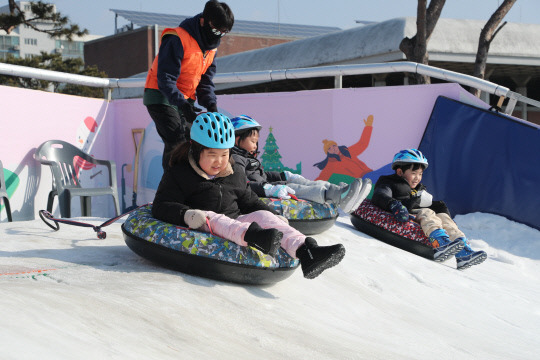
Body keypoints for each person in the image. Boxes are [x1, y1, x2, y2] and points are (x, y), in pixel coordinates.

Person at [151, 112, 346, 279]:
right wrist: (187, 214)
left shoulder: (233, 172)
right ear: (196, 150)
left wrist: (270, 215)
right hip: (204, 222)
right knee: (211, 217)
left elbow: (248, 199)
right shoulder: (180, 174)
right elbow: (161, 205)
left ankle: (308, 252)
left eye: (224, 154)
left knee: (264, 216)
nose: (219, 161)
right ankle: (255, 238)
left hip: (236, 218)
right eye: (212, 155)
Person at [143, 1, 234, 169]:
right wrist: (182, 105)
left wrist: (211, 104)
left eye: (223, 33)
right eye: (215, 30)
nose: (218, 36)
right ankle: (171, 189)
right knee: (177, 140)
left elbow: (205, 81)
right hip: (161, 96)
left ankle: (188, 187)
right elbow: (165, 78)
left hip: (184, 100)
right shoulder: (177, 38)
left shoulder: (211, 49)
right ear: (203, 21)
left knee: (193, 141)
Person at [371, 149, 487, 270]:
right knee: (428, 212)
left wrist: (444, 213)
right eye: (414, 173)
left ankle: (464, 252)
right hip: (403, 213)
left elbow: (430, 205)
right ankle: (439, 244)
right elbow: (380, 195)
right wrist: (394, 204)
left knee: (442, 217)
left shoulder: (419, 188)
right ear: (400, 172)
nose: (418, 178)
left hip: (419, 215)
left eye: (420, 174)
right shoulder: (389, 182)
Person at [229, 115, 370, 213]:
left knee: (304, 182)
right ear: (237, 139)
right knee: (296, 188)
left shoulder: (247, 157)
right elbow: (242, 183)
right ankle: (334, 195)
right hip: (262, 192)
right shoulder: (236, 159)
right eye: (253, 142)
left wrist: (285, 175)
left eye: (256, 142)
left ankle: (338, 192)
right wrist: (268, 189)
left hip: (269, 186)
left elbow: (263, 175)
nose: (255, 145)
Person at [313, 114, 374, 182]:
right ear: (328, 153)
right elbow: (321, 178)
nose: (333, 148)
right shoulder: (330, 165)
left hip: (369, 174)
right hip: (361, 181)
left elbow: (362, 144)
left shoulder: (347, 151)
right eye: (329, 148)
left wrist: (368, 126)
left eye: (334, 146)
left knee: (387, 169)